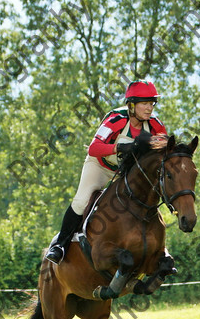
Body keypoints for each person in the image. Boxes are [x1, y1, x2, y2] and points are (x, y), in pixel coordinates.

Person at [45, 80, 168, 264]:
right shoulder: (116, 119)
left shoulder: (155, 125)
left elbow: (165, 149)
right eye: (144, 103)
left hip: (123, 173)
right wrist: (121, 147)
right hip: (100, 167)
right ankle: (60, 246)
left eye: (151, 103)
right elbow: (93, 148)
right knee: (81, 201)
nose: (149, 108)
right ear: (132, 105)